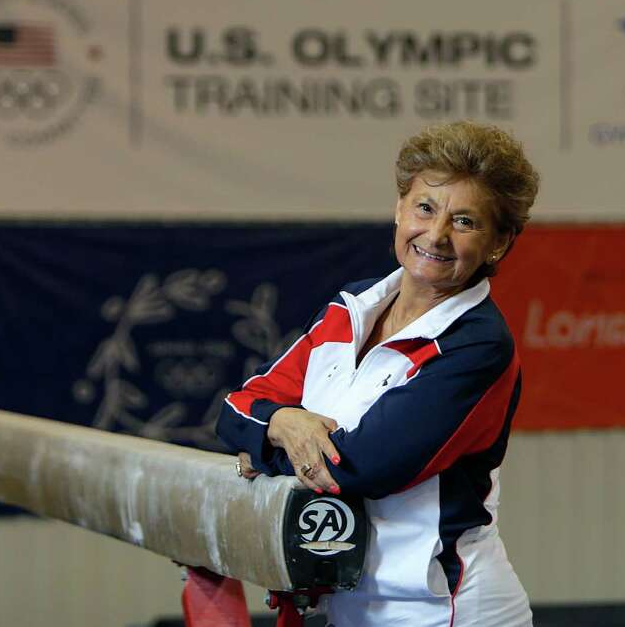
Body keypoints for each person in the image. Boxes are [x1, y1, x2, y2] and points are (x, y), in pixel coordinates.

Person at [216, 120, 539, 627]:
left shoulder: (476, 345)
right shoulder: (349, 309)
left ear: (498, 244)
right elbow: (236, 409)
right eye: (425, 208)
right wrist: (286, 425)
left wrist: (261, 452)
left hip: (444, 610)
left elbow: (361, 468)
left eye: (465, 222)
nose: (436, 235)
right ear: (398, 209)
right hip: (354, 608)